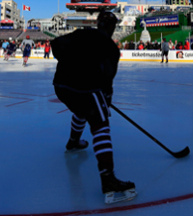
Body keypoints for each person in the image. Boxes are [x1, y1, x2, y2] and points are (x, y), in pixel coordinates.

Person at [51, 11, 136, 204]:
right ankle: (108, 179)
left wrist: (69, 62)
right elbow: (107, 80)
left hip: (61, 86)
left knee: (82, 110)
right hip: (86, 88)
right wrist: (106, 100)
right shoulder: (111, 49)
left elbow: (55, 45)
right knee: (100, 123)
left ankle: (74, 142)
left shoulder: (82, 33)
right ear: (113, 28)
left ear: (98, 23)